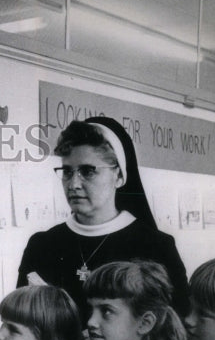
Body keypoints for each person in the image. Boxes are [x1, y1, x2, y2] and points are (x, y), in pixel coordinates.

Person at [18, 117, 190, 318]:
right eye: (67, 172)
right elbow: (21, 320)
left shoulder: (156, 246)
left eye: (87, 171)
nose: (73, 184)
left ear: (119, 176)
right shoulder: (42, 245)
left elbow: (174, 328)